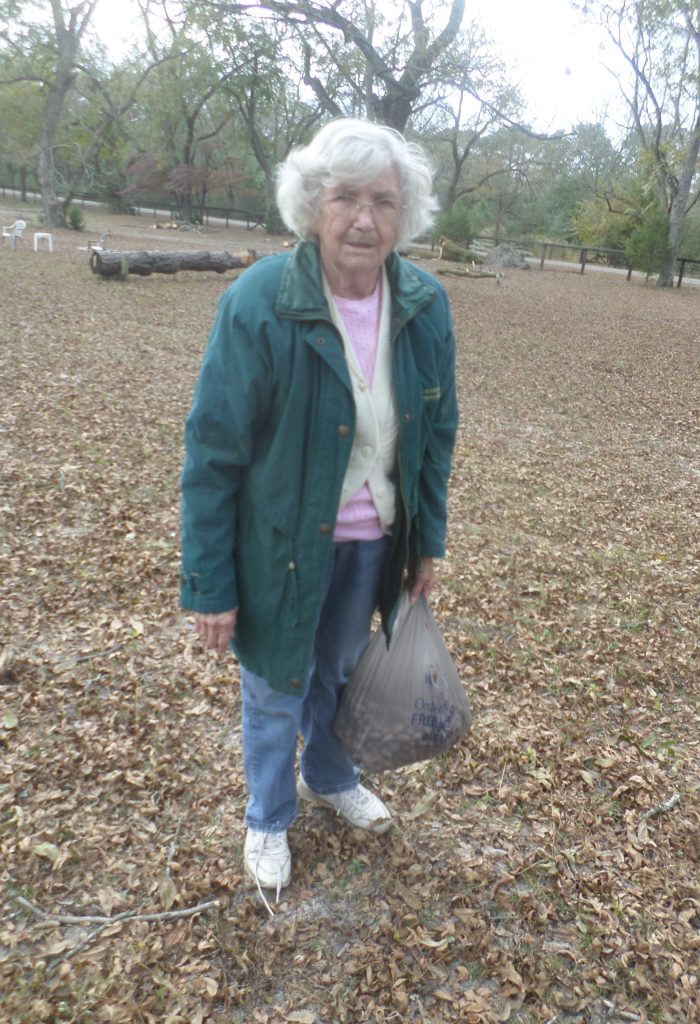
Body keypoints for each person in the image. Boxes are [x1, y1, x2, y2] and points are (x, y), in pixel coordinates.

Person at [179, 118, 458, 908]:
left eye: (383, 201)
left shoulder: (425, 305)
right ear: (312, 205)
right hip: (278, 546)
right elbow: (213, 451)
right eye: (344, 198)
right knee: (273, 684)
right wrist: (209, 582)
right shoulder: (261, 300)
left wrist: (426, 539)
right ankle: (268, 815)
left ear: (405, 214)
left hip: (374, 539)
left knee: (337, 674)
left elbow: (437, 433)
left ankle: (332, 775)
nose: (363, 220)